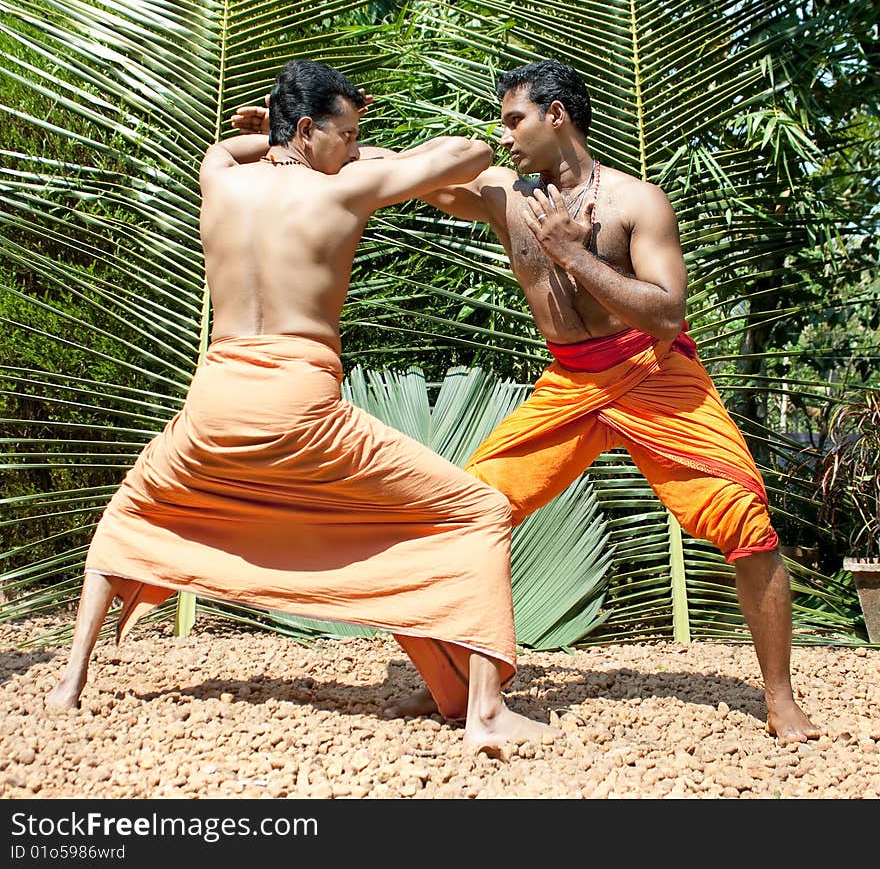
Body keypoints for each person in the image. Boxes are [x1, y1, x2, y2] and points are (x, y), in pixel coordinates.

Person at [232, 58, 820, 745]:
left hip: (655, 376)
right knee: (464, 513)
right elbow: (399, 164)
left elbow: (665, 314)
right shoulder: (501, 194)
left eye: (514, 120)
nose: (504, 135)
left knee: (747, 525)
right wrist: (286, 146)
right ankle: (459, 683)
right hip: (569, 383)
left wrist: (575, 256)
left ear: (557, 116)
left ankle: (779, 698)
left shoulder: (636, 202)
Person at [46, 58, 560, 752]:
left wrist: (273, 137)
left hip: (213, 402)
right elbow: (467, 155)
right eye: (347, 134)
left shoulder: (220, 181)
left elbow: (224, 147)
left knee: (134, 510)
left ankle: (68, 681)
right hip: (300, 404)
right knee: (479, 510)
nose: (354, 147)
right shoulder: (345, 189)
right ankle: (485, 712)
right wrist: (364, 156)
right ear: (312, 128)